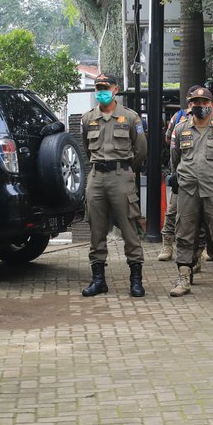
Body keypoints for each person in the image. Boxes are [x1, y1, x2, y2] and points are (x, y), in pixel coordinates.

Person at [80, 74, 148, 298]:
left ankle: (135, 281)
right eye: (98, 88)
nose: (101, 91)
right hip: (97, 177)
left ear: (115, 89)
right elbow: (86, 149)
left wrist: (126, 170)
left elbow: (141, 151)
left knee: (129, 229)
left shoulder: (130, 117)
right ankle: (98, 280)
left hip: (121, 176)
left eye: (105, 87)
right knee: (96, 230)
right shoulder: (87, 118)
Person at [168, 86, 213, 297]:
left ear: (211, 104)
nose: (200, 106)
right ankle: (183, 278)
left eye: (205, 103)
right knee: (184, 232)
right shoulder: (180, 130)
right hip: (188, 190)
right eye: (196, 103)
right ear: (190, 105)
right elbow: (175, 159)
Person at [157, 106, 191, 262]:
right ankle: (167, 243)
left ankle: (202, 248)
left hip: (206, 178)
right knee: (172, 211)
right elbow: (169, 141)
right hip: (183, 175)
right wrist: (176, 171)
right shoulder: (178, 118)